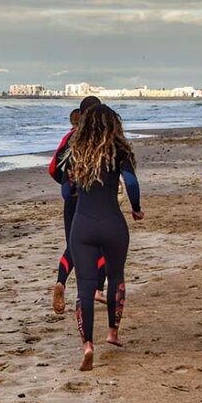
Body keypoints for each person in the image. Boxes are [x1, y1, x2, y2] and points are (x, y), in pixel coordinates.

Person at [67, 104, 144, 371]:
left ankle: (88, 345)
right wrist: (135, 208)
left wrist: (78, 190)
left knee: (85, 287)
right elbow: (131, 183)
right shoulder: (120, 151)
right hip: (112, 221)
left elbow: (67, 190)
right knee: (116, 277)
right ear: (114, 124)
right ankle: (112, 333)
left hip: (83, 223)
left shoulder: (76, 151)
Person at [49, 96, 106, 312]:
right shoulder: (103, 138)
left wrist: (67, 181)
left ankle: (61, 282)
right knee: (102, 245)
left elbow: (53, 168)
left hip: (72, 201)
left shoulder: (70, 137)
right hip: (96, 201)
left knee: (74, 246)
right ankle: (97, 289)